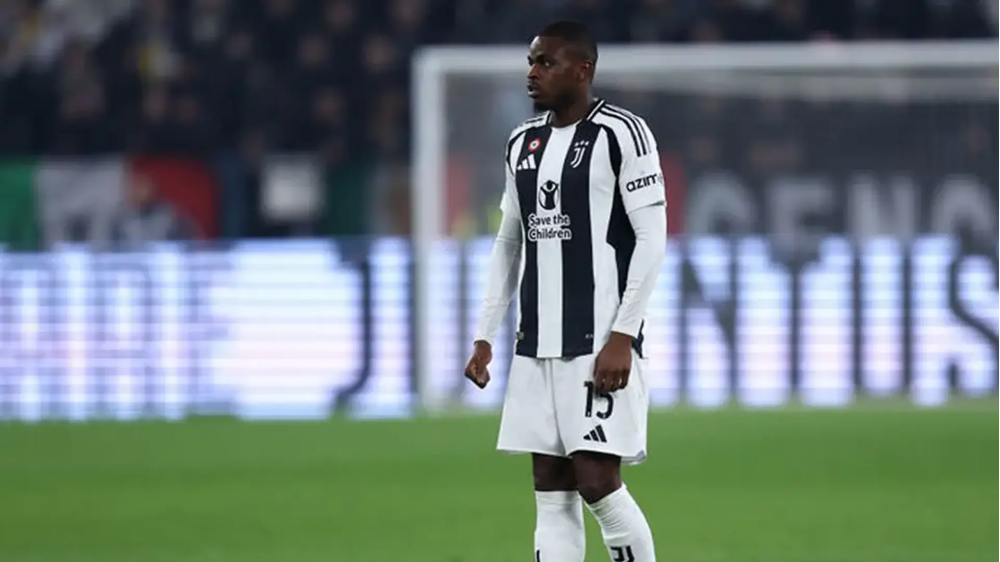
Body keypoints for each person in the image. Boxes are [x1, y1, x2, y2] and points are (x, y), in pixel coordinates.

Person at [464, 21, 666, 562]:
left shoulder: (623, 134)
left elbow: (652, 239)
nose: (533, 73)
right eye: (531, 62)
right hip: (535, 345)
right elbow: (510, 241)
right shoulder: (521, 142)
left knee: (597, 482)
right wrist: (485, 335)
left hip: (597, 340)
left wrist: (623, 335)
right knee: (550, 488)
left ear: (582, 69)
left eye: (546, 62)